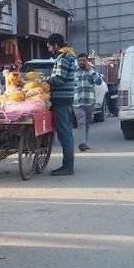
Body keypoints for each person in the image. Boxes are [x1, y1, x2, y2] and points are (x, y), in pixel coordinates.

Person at [46, 33, 78, 176]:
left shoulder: (64, 58)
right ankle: (68, 165)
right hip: (65, 99)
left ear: (56, 44)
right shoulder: (67, 56)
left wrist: (44, 80)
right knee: (66, 133)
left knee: (64, 133)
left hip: (62, 100)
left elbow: (59, 80)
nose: (48, 48)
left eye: (49, 45)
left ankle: (68, 166)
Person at [74, 54, 104, 152]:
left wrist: (91, 71)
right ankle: (82, 143)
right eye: (80, 61)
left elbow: (99, 82)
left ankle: (85, 142)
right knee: (81, 121)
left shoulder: (92, 71)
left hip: (89, 101)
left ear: (87, 61)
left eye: (83, 60)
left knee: (87, 122)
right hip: (77, 102)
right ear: (77, 62)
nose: (82, 62)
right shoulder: (74, 72)